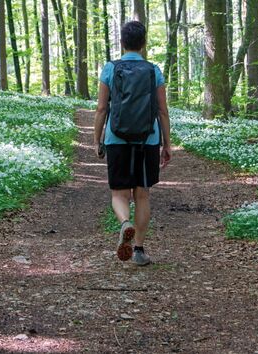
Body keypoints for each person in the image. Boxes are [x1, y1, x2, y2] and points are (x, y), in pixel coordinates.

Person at [93, 21, 171, 266]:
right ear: (144, 43)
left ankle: (125, 223)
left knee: (119, 193)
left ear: (122, 43)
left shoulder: (110, 68)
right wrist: (167, 144)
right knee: (142, 194)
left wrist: (97, 140)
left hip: (116, 138)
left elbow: (101, 108)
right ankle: (138, 250)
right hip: (148, 138)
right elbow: (162, 111)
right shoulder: (153, 70)